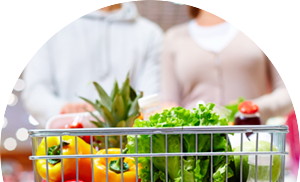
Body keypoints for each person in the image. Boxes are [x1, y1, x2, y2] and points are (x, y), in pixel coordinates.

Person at [22, 2, 163, 127]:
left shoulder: (150, 34)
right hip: (66, 143)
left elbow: (150, 99)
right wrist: (63, 108)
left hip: (130, 149)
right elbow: (35, 92)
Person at [161, 7, 293, 124]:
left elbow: (288, 92)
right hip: (196, 146)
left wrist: (254, 108)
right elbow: (168, 103)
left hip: (251, 142)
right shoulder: (173, 38)